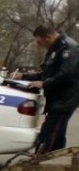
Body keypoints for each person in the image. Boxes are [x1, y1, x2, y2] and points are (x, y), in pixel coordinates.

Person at [11, 25, 79, 154]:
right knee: (58, 134)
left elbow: (67, 74)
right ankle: (56, 162)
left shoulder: (67, 48)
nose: (38, 44)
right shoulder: (55, 48)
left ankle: (39, 162)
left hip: (65, 99)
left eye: (39, 41)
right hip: (57, 98)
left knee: (49, 133)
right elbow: (46, 73)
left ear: (48, 37)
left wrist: (44, 84)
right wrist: (23, 76)